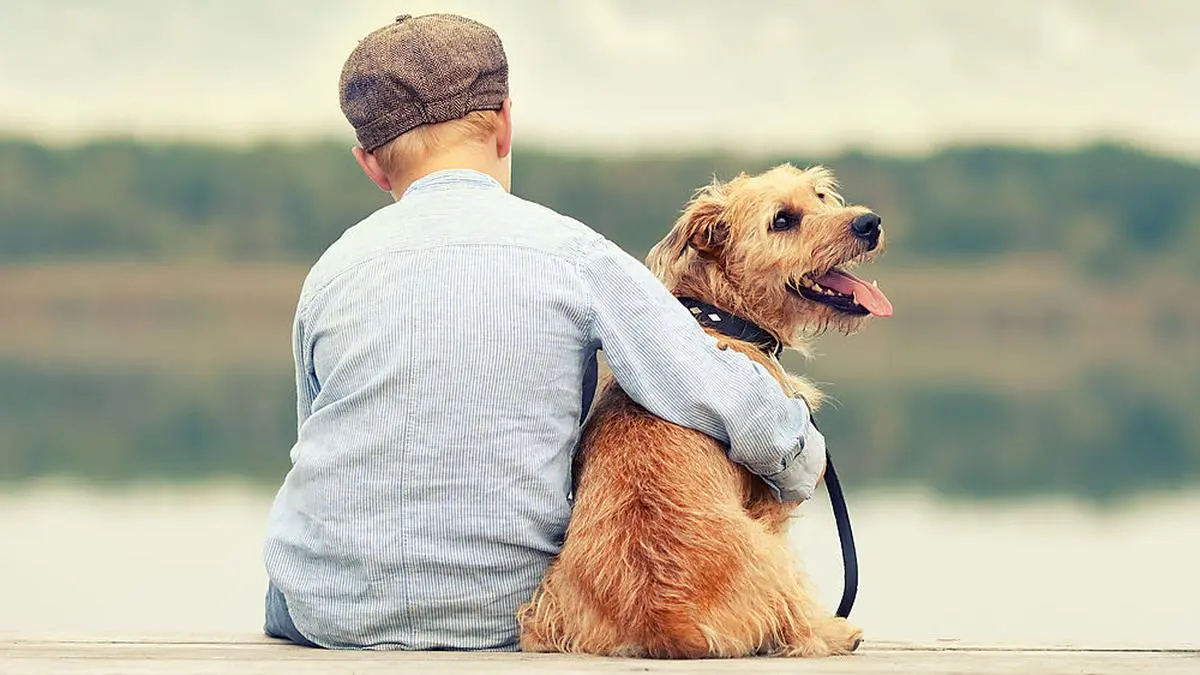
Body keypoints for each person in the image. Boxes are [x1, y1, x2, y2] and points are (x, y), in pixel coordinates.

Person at [261, 13, 827, 651]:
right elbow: (706, 386)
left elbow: (317, 435)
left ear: (368, 162)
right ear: (504, 122)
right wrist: (801, 458)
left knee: (290, 567)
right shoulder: (576, 256)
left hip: (330, 611)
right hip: (505, 613)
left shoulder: (332, 272)